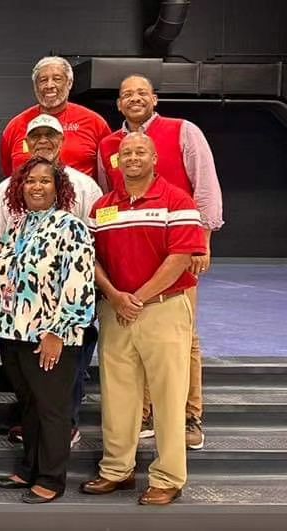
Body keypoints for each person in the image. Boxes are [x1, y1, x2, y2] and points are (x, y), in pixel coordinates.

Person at [97, 75, 224, 449]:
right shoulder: (109, 145)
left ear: (155, 99)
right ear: (118, 104)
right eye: (126, 94)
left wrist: (203, 241)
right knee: (134, 336)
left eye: (141, 93)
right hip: (128, 253)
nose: (134, 99)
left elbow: (205, 186)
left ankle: (189, 415)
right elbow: (108, 194)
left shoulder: (184, 131)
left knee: (183, 337)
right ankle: (143, 413)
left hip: (176, 250)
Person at [81, 133, 205, 506]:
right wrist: (115, 296)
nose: (132, 158)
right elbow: (92, 259)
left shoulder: (177, 201)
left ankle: (168, 477)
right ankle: (117, 469)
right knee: (118, 394)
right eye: (126, 153)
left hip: (163, 308)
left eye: (140, 152)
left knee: (168, 395)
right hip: (116, 310)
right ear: (117, 161)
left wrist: (138, 297)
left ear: (154, 158)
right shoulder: (103, 207)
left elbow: (180, 257)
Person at [0, 114, 104, 445]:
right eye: (35, 136)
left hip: (63, 312)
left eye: (49, 135)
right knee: (30, 386)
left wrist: (65, 320)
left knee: (64, 382)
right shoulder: (5, 190)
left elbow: (91, 245)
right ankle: (35, 441)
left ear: (62, 140)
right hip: (20, 318)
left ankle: (67, 427)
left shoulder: (85, 186)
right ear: (26, 143)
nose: (43, 141)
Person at [0, 157, 95, 504]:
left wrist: (57, 332)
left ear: (58, 187)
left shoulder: (70, 227)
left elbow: (79, 284)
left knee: (52, 408)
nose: (36, 186)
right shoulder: (17, 226)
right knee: (30, 404)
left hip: (51, 336)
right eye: (30, 180)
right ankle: (30, 467)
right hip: (14, 333)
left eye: (44, 181)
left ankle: (51, 477)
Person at [0, 56, 111, 179]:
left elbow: (109, 173)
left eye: (57, 79)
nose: (49, 85)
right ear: (35, 86)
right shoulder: (15, 126)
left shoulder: (95, 123)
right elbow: (8, 173)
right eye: (43, 80)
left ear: (69, 83)